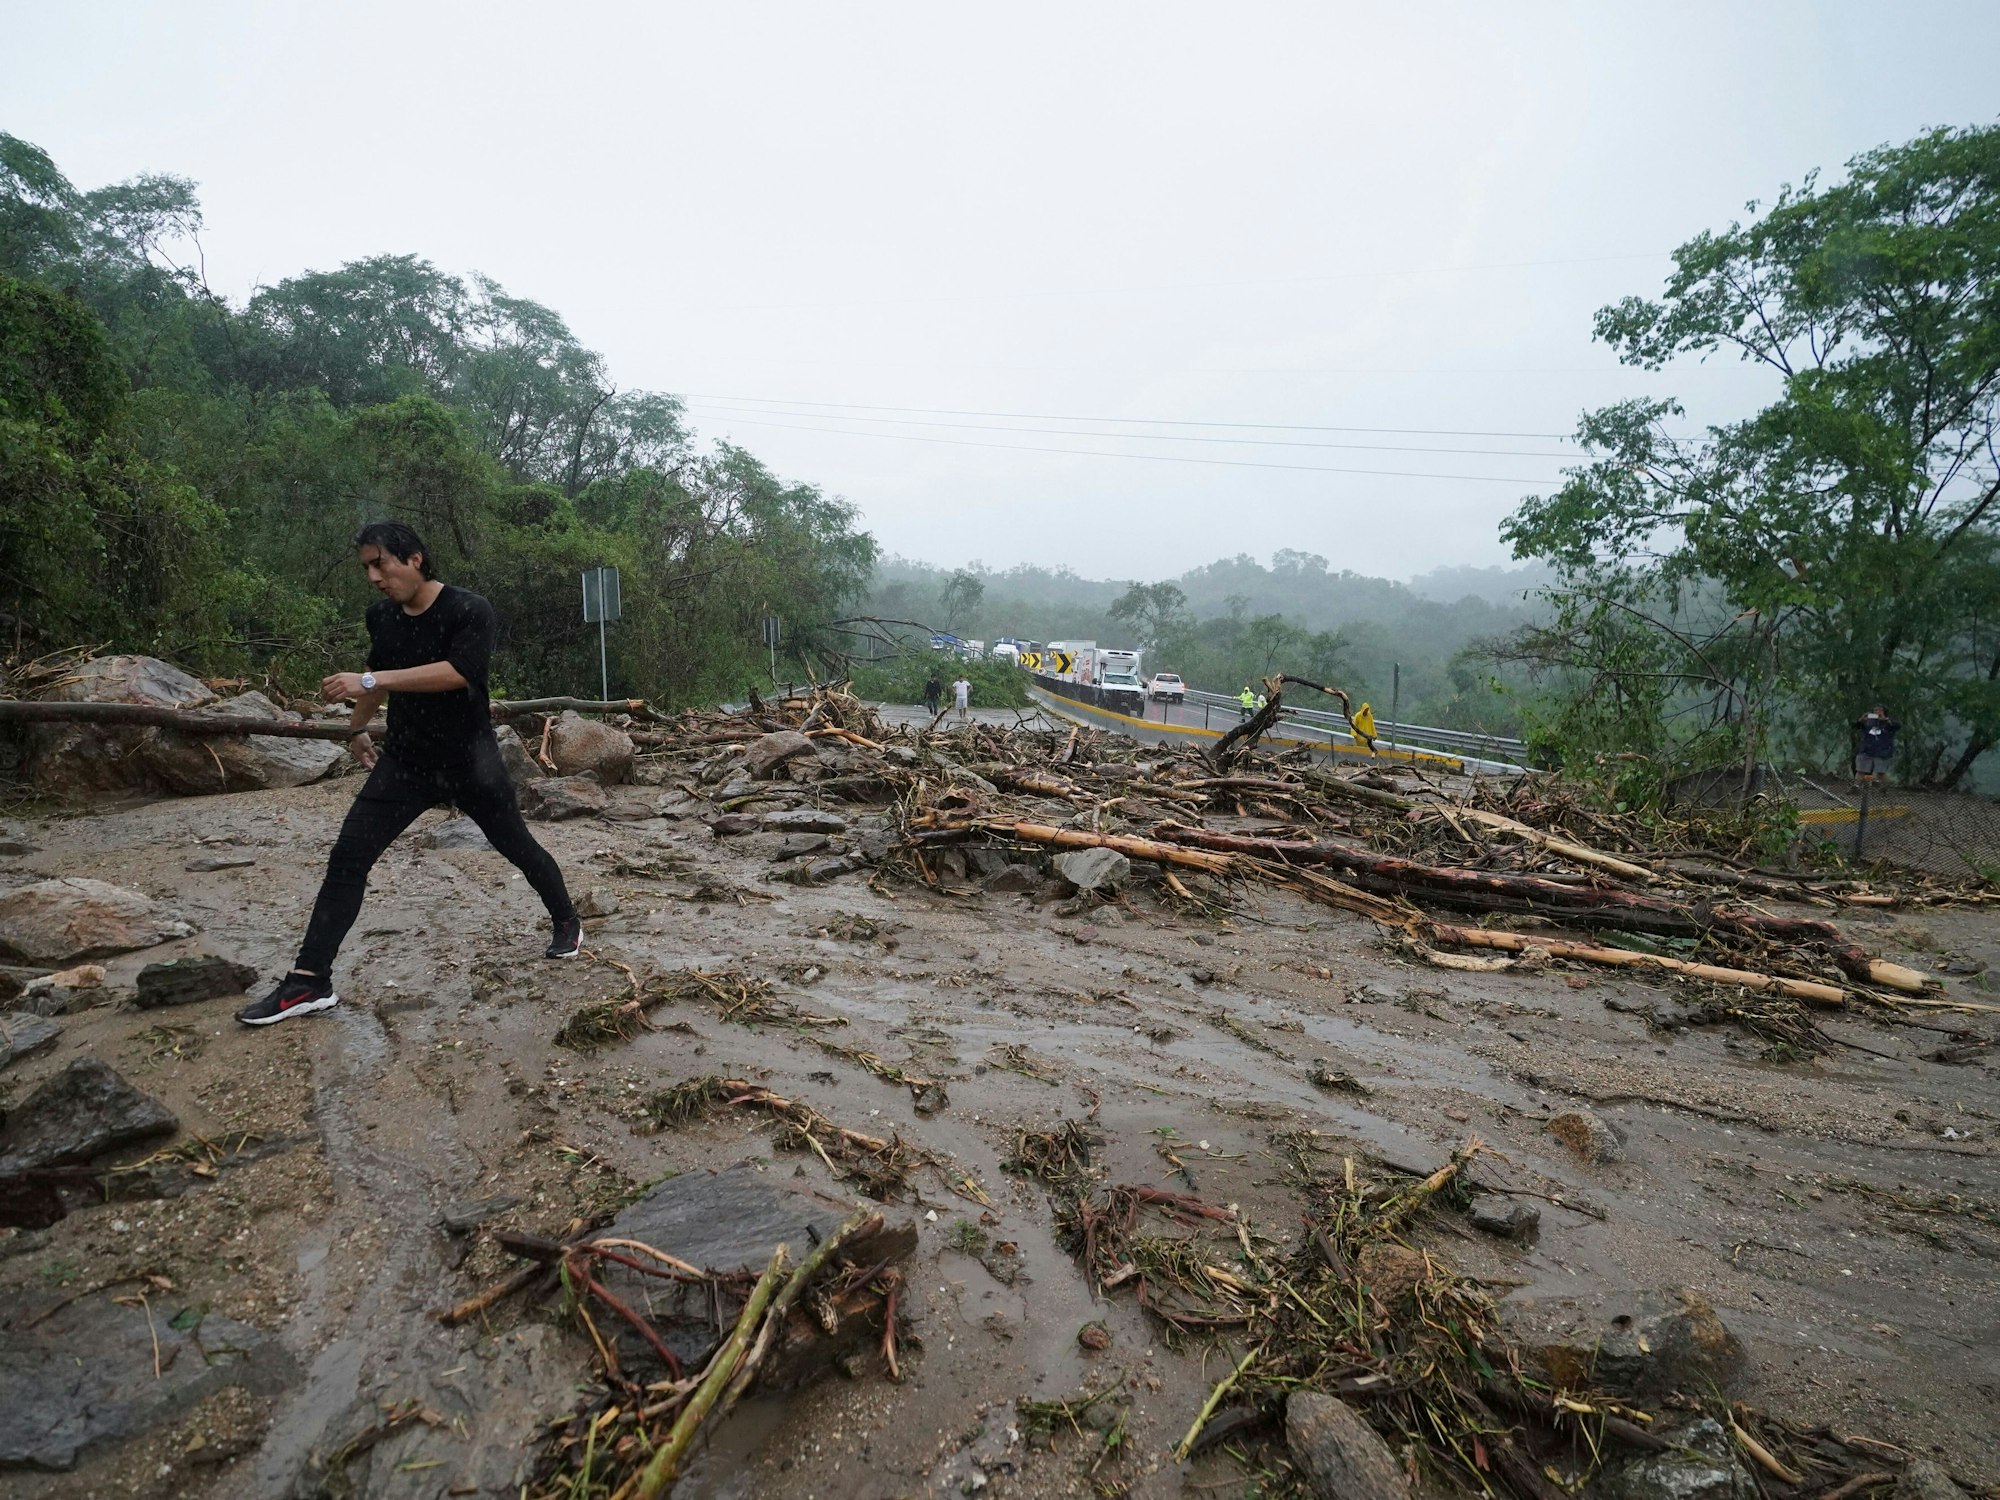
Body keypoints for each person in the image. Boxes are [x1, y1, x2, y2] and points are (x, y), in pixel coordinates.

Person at [236, 522, 581, 1026]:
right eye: (367, 568)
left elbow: (458, 671)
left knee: (517, 846)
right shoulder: (382, 616)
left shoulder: (470, 609)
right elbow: (378, 676)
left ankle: (567, 920)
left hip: (471, 762)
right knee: (348, 858)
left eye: (382, 564)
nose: (375, 577)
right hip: (406, 763)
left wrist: (370, 679)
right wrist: (356, 729)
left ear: (415, 558)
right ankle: (309, 982)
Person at [1853, 705, 1900, 785]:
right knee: (1861, 770)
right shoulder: (1868, 721)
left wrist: (1885, 720)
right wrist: (1861, 719)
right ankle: (1856, 787)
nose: (1877, 712)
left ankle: (1884, 788)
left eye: (1880, 710)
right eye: (1875, 710)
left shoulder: (1889, 722)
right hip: (1866, 750)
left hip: (1882, 752)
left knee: (1881, 773)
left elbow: (1897, 726)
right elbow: (1856, 726)